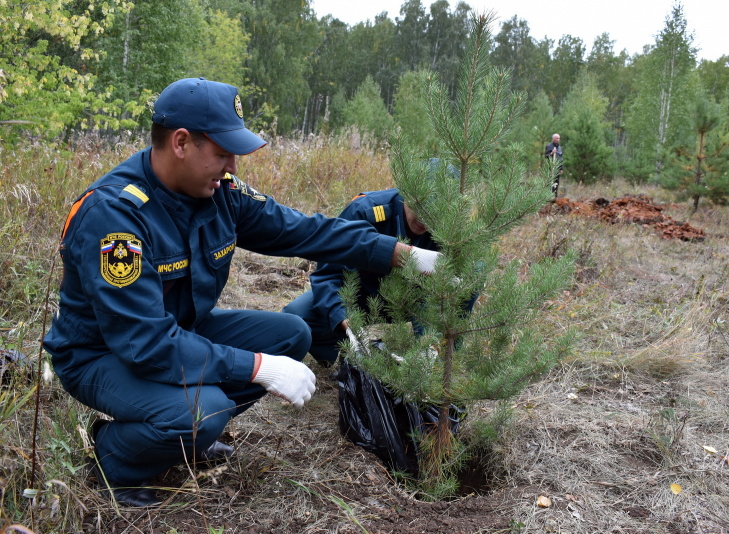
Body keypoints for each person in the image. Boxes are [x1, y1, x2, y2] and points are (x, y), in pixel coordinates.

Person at [42, 78, 441, 507]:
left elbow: (306, 231)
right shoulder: (116, 218)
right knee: (205, 408)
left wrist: (402, 254)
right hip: (104, 355)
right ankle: (116, 456)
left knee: (291, 334)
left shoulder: (219, 194)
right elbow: (145, 343)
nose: (233, 165)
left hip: (179, 331)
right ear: (181, 143)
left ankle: (187, 437)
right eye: (222, 153)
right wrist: (256, 367)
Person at [282, 166, 471, 367]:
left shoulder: (453, 229)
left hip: (418, 300)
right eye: (422, 208)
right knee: (298, 315)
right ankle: (342, 351)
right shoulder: (364, 211)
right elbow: (329, 275)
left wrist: (431, 343)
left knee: (472, 273)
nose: (426, 220)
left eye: (437, 213)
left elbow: (468, 279)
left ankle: (438, 358)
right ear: (407, 191)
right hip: (363, 296)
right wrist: (347, 322)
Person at [544, 133, 563, 198]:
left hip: (557, 168)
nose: (558, 139)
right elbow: (546, 156)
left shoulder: (559, 147)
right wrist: (552, 153)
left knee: (556, 182)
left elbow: (561, 158)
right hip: (551, 167)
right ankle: (548, 196)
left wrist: (561, 168)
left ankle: (555, 197)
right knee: (550, 182)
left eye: (559, 138)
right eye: (557, 138)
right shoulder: (549, 146)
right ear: (553, 139)